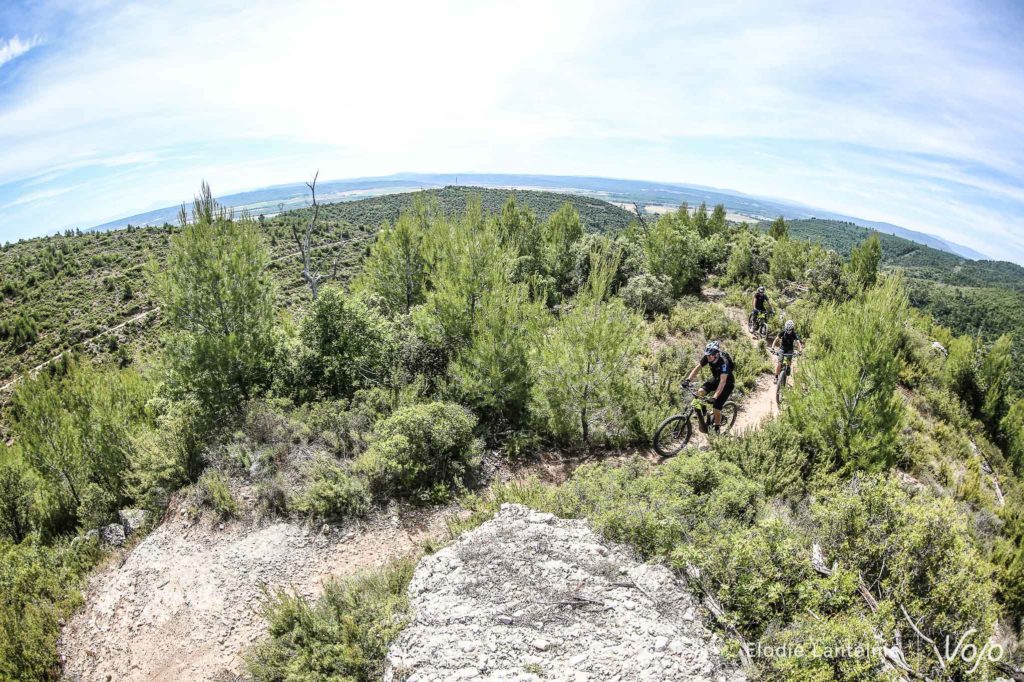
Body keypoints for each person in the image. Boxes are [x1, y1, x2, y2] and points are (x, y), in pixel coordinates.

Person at [684, 341, 735, 433]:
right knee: (700, 392)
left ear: (716, 354)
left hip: (727, 384)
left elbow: (723, 382)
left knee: (716, 408)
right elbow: (697, 368)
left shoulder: (724, 363)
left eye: (710, 355)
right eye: (707, 355)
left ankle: (717, 427)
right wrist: (688, 380)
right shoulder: (708, 357)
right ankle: (703, 412)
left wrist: (715, 397)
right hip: (716, 379)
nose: (708, 357)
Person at [771, 319, 804, 383]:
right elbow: (775, 340)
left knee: (788, 362)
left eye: (790, 330)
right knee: (779, 363)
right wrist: (772, 348)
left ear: (792, 329)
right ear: (785, 328)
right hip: (782, 348)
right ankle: (776, 377)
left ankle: (788, 367)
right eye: (787, 329)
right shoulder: (782, 332)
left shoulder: (794, 334)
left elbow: (798, 343)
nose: (788, 331)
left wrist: (800, 351)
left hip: (790, 349)